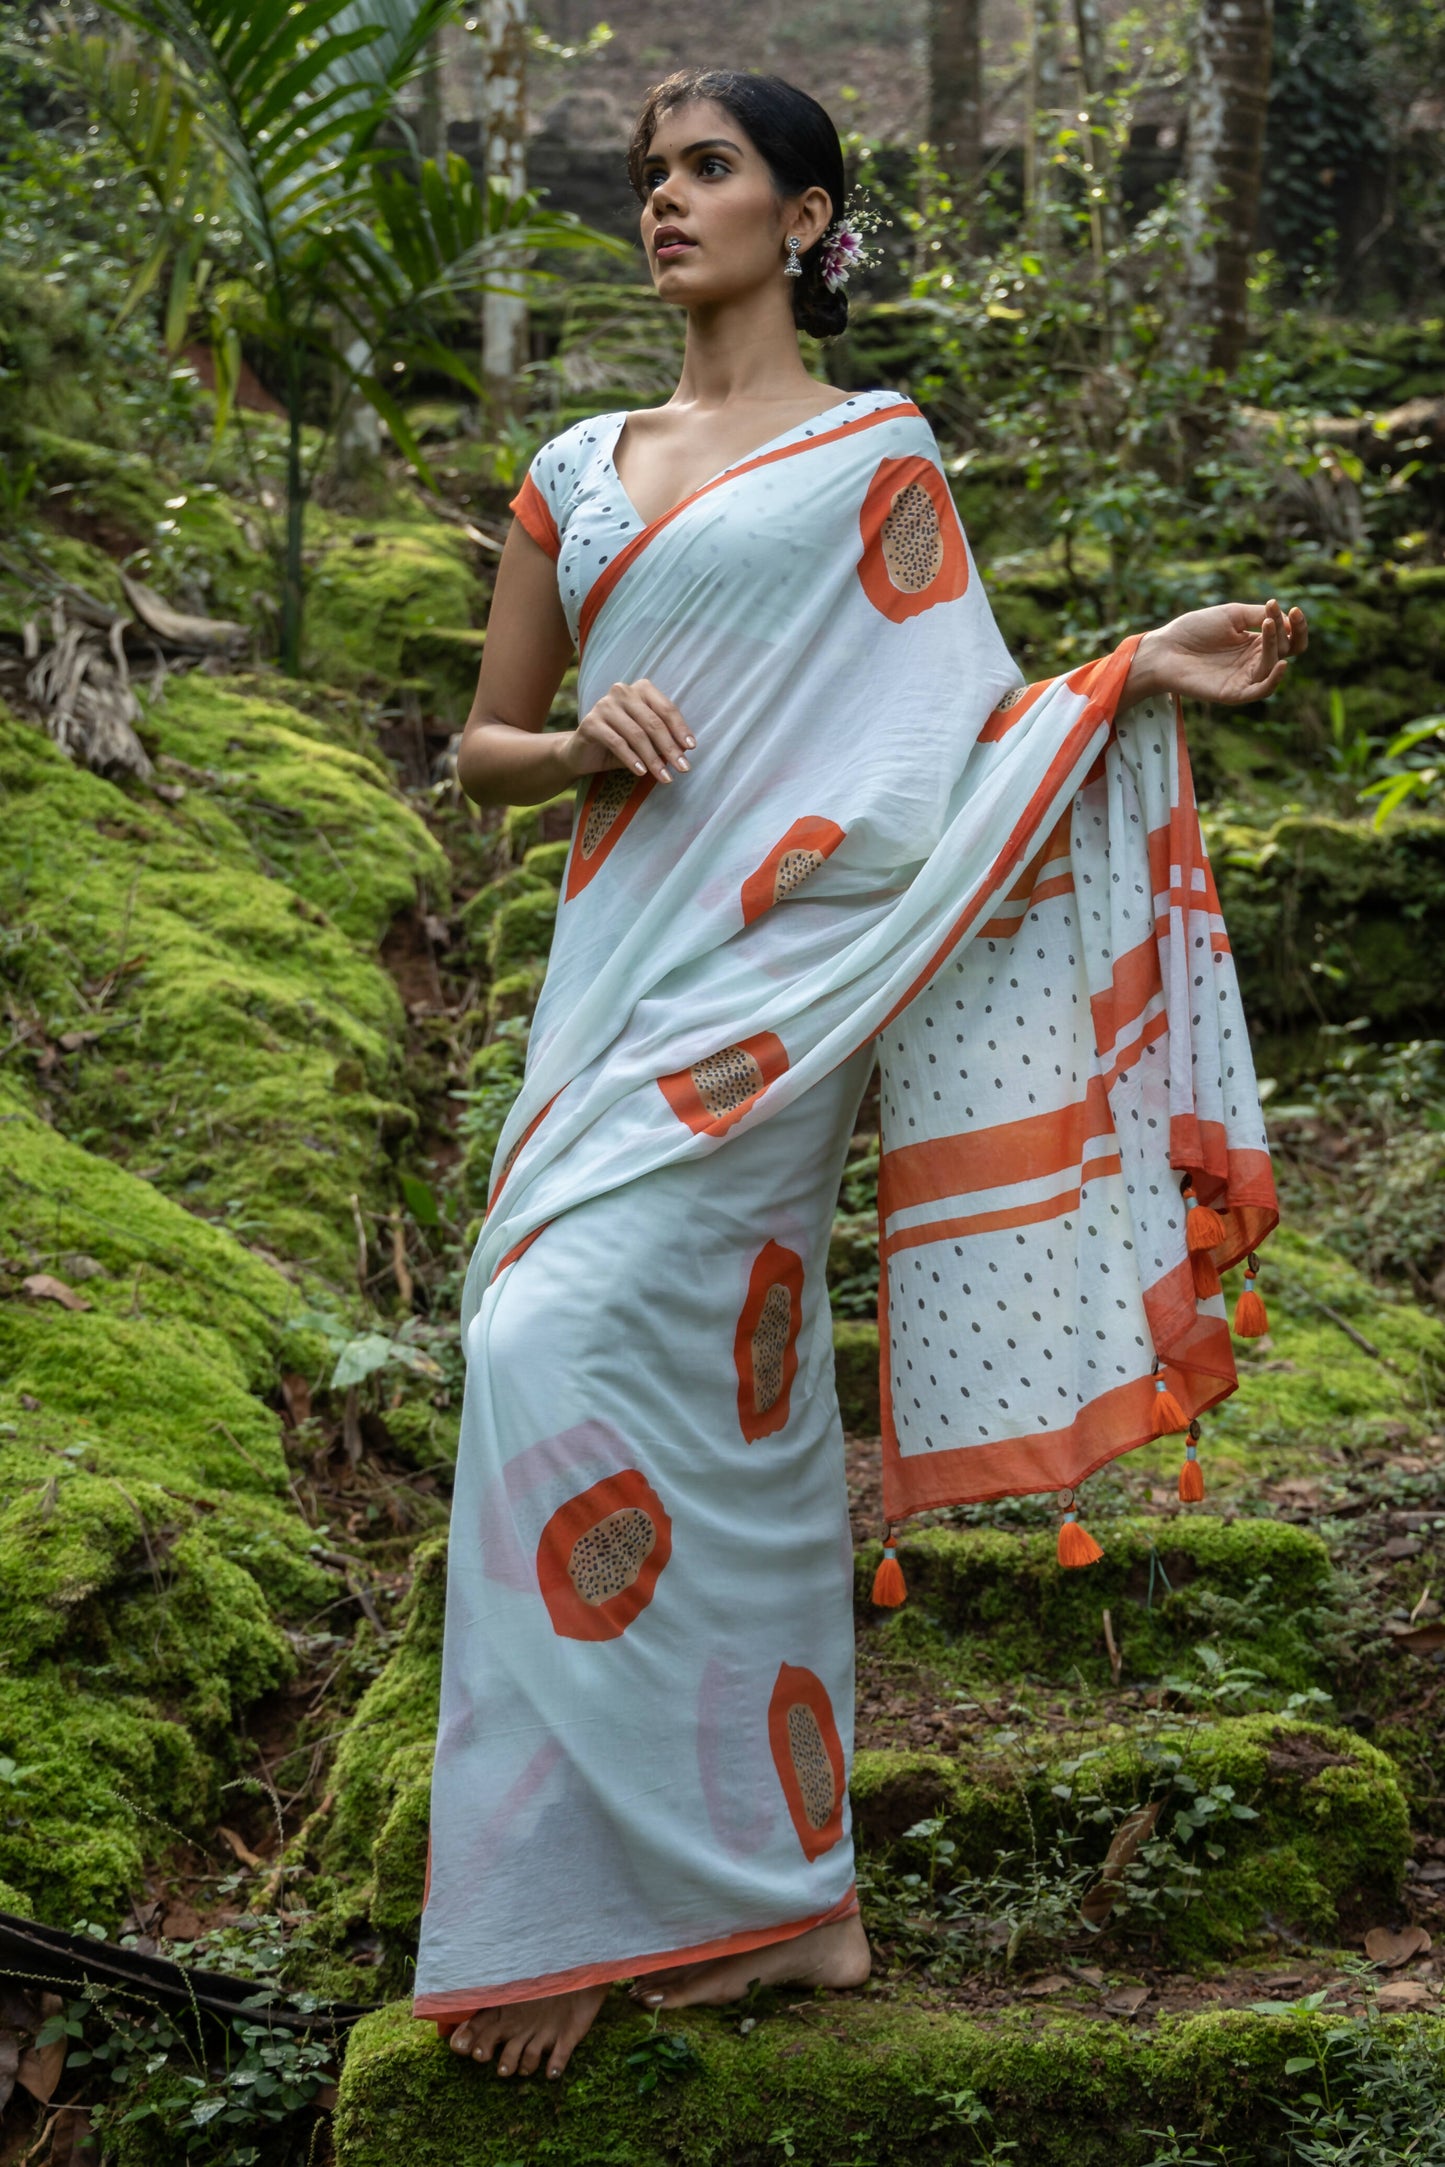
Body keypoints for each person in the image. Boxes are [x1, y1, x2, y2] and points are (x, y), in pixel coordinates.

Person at [413, 67, 1304, 2083]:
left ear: (809, 220)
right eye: (648, 175)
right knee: (551, 1349)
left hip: (791, 999)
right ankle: (755, 1895)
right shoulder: (580, 463)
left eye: (709, 169)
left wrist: (1128, 673)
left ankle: (705, 1894)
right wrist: (580, 750)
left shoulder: (878, 464)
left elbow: (961, 737)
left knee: (599, 1359)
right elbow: (482, 746)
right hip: (623, 994)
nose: (666, 201)